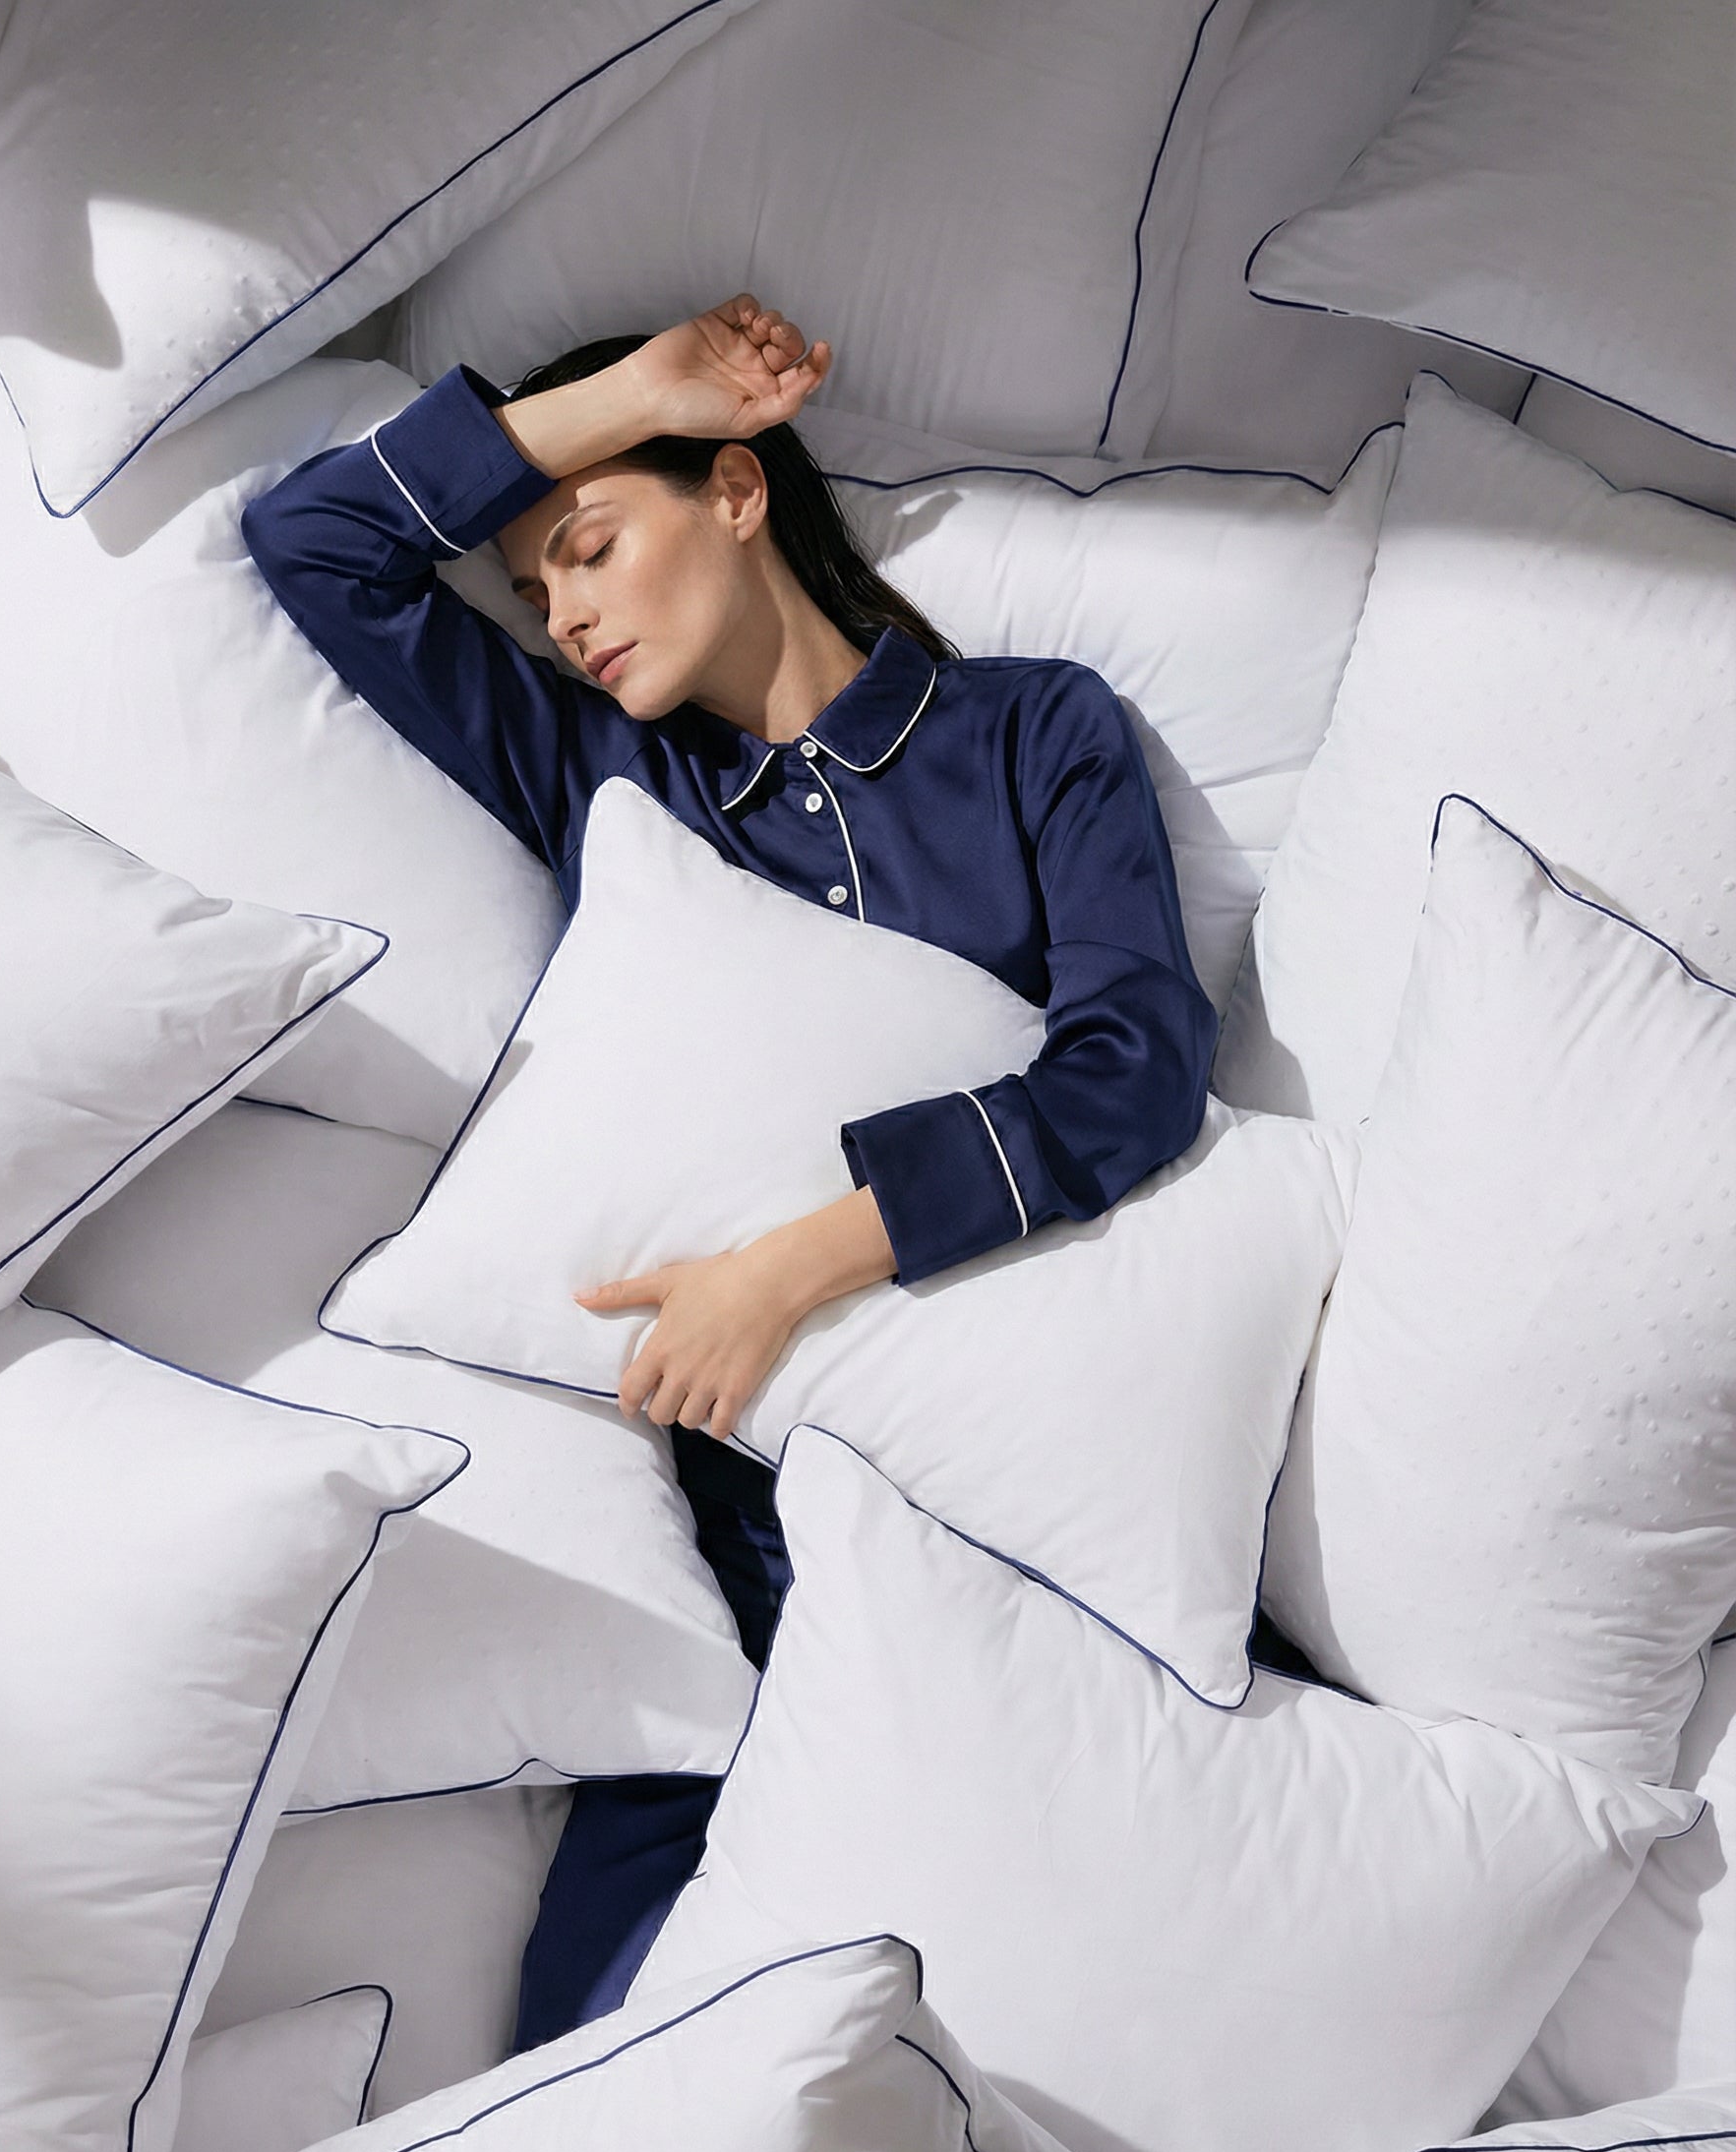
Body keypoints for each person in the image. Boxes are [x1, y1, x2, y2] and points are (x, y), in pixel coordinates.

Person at [243, 292, 1218, 2047]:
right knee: (589, 2054)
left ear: (743, 494)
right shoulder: (607, 781)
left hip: (1047, 1504)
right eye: (536, 584)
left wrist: (793, 1264)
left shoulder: (1030, 738)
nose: (565, 612)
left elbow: (1137, 1073)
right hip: (729, 1571)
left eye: (597, 546)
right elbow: (315, 545)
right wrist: (625, 400)